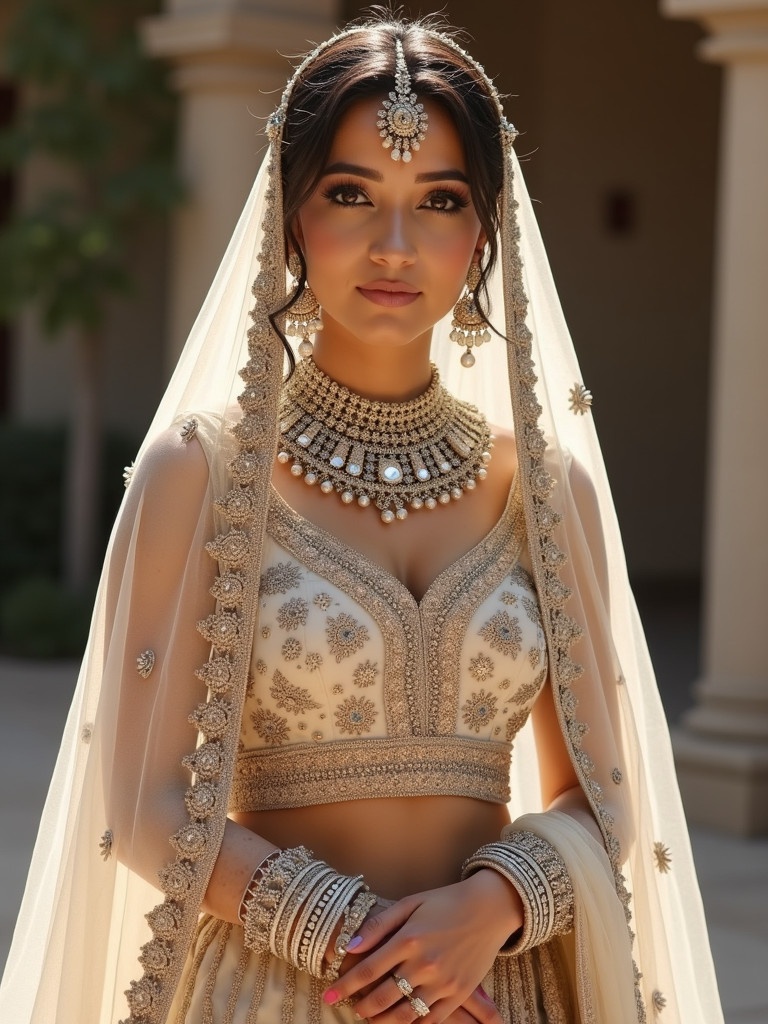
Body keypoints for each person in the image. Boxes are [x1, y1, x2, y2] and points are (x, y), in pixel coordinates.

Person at [0, 12, 723, 1024]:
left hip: (497, 986)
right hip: (280, 989)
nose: (394, 245)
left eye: (439, 201)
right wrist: (361, 941)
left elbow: (601, 800)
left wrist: (488, 908)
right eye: (351, 194)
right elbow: (147, 806)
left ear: (483, 234)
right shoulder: (205, 477)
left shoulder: (547, 488)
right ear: (291, 216)